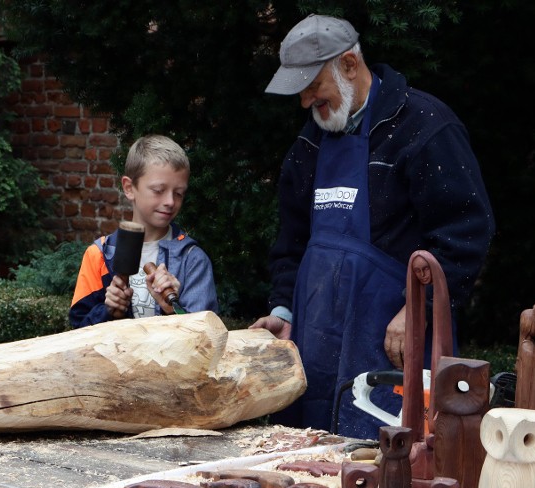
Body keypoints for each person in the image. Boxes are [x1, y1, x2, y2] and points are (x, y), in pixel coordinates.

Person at [251, 14, 495, 438]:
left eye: (313, 86)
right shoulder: (308, 144)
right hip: (316, 344)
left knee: (396, 465)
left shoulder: (424, 127)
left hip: (394, 345)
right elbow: (291, 243)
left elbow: (467, 233)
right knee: (310, 459)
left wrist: (418, 309)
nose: (306, 101)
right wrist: (283, 311)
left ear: (348, 64)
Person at [70, 134, 218, 327]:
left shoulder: (192, 260)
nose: (170, 202)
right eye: (158, 190)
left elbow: (205, 334)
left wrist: (170, 309)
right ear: (129, 188)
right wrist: (108, 311)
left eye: (179, 193)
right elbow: (78, 327)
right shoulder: (99, 255)